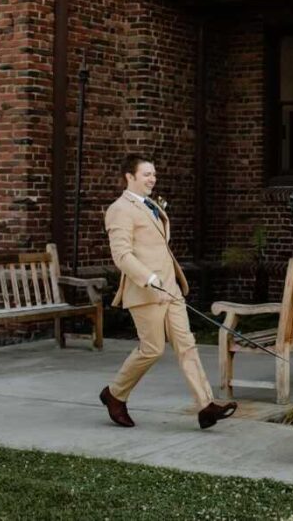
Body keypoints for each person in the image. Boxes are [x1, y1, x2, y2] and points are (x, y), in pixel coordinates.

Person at [98, 154, 237, 430]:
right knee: (151, 350)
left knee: (187, 345)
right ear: (130, 176)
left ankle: (206, 406)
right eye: (147, 174)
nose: (153, 178)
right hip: (145, 291)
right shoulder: (119, 210)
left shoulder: (150, 205)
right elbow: (121, 255)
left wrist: (166, 280)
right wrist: (149, 278)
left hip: (170, 288)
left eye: (153, 174)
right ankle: (115, 394)